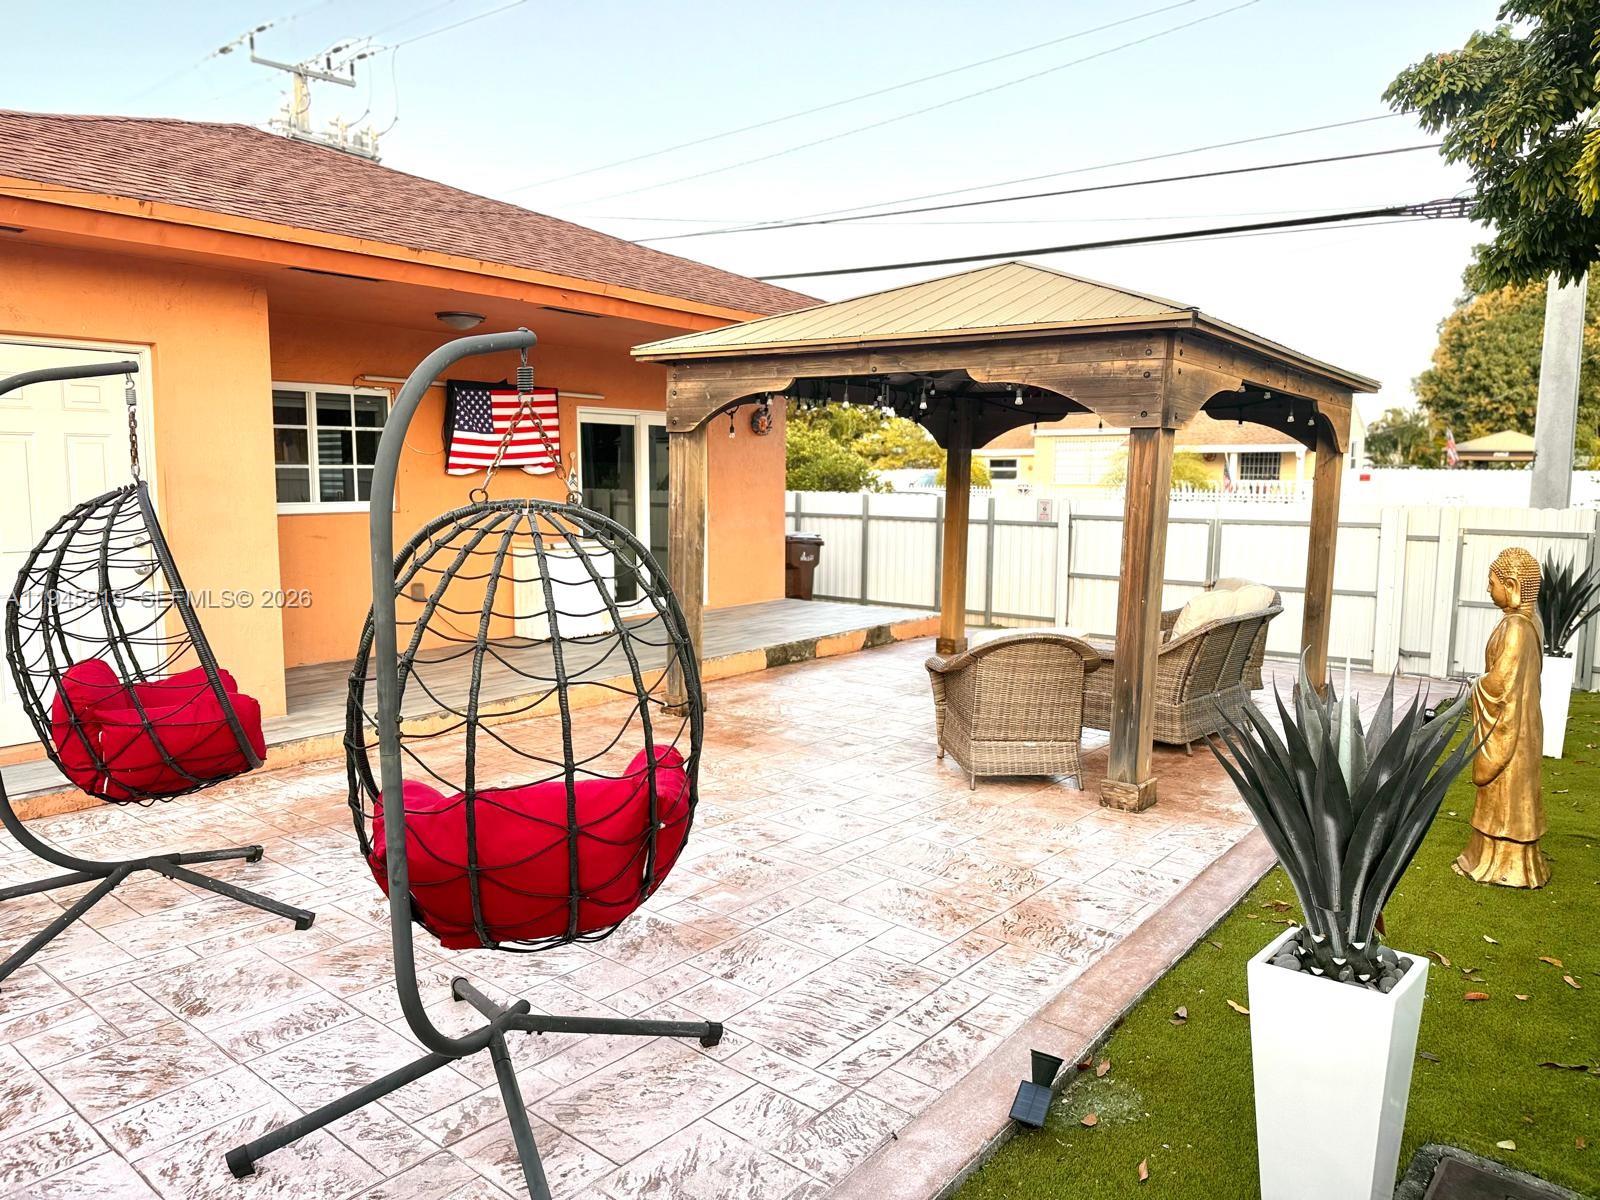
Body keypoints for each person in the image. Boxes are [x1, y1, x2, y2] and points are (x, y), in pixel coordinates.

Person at [1455, 546, 1549, 888]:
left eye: (1491, 582)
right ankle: (1497, 859)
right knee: (1510, 796)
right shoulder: (1528, 623)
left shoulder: (1516, 629)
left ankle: (1502, 865)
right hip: (1525, 725)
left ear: (1510, 585)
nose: (1487, 589)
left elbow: (1500, 685)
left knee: (1507, 797)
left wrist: (1476, 685)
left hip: (1513, 728)